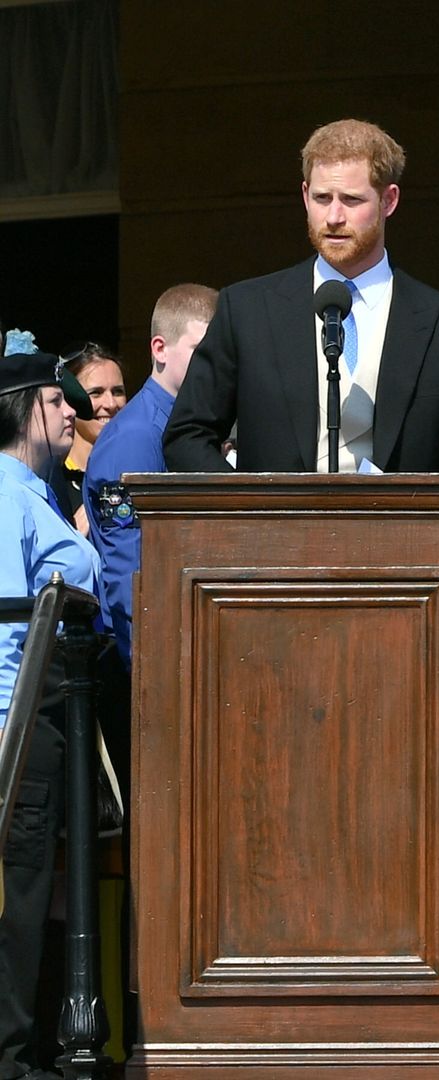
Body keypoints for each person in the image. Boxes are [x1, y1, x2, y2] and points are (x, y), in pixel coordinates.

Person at [162, 117, 439, 473]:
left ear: (389, 200)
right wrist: (248, 507)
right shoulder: (246, 310)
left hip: (400, 528)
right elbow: (187, 435)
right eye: (322, 198)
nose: (333, 216)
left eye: (351, 200)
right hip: (273, 526)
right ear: (305, 195)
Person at [0, 339, 103, 1080]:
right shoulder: (5, 495)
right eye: (59, 398)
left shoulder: (35, 492)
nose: (75, 409)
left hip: (45, 724)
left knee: (39, 896)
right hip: (20, 726)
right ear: (26, 406)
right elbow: (7, 628)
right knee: (19, 902)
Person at [83, 284, 217, 664]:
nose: (214, 363)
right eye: (200, 350)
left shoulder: (187, 424)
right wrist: (154, 667)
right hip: (150, 658)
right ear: (160, 349)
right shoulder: (136, 437)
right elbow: (130, 570)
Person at [56, 342, 126, 532]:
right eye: (96, 393)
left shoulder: (136, 468)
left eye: (118, 391)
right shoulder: (51, 478)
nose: (111, 404)